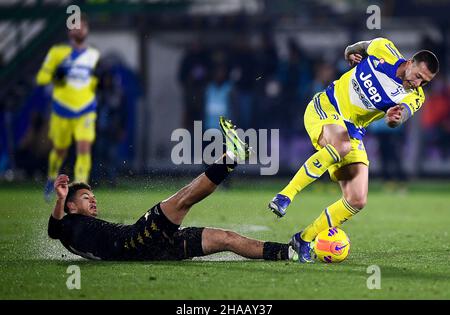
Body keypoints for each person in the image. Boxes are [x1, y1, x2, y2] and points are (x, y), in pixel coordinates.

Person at [268, 37, 439, 263]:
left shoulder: (415, 96)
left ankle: (304, 239)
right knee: (341, 145)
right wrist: (350, 54)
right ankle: (285, 196)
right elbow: (354, 48)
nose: (418, 84)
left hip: (352, 130)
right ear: (410, 63)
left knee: (357, 199)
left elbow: (400, 116)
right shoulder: (383, 48)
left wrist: (393, 118)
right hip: (326, 108)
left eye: (425, 82)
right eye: (418, 76)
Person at [48, 118, 296, 262]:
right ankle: (232, 156)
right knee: (184, 197)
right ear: (70, 206)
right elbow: (54, 229)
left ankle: (289, 253)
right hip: (135, 241)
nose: (92, 201)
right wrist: (59, 199)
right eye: (85, 197)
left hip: (152, 251)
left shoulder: (74, 230)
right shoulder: (68, 225)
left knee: (225, 238)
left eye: (92, 196)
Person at [36, 15, 101, 201]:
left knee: (84, 148)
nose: (79, 29)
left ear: (87, 30)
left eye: (83, 26)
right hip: (62, 110)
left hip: (86, 109)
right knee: (60, 150)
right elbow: (41, 78)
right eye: (75, 26)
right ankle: (51, 177)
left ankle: (82, 189)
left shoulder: (93, 55)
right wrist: (55, 75)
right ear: (69, 31)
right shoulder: (57, 52)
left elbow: (95, 82)